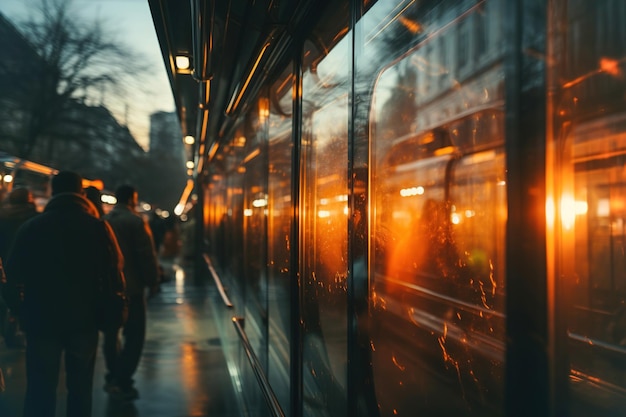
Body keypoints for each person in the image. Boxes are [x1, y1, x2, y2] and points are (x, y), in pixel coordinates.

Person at [3, 171, 125, 417]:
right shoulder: (99, 228)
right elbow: (115, 272)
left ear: (51, 191)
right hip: (85, 319)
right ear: (81, 192)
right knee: (80, 389)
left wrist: (21, 309)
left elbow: (12, 275)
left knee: (40, 388)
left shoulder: (32, 227)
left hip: (41, 320)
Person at [102, 184, 159, 401]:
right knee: (134, 335)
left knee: (110, 333)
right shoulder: (135, 222)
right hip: (133, 288)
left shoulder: (104, 221)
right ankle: (123, 378)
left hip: (109, 287)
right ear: (132, 199)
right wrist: (152, 280)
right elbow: (146, 255)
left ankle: (112, 373)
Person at [0, 187, 39, 347]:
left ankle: (7, 332)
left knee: (6, 299)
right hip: (29, 267)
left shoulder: (1, 216)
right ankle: (21, 331)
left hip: (5, 265)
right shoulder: (35, 218)